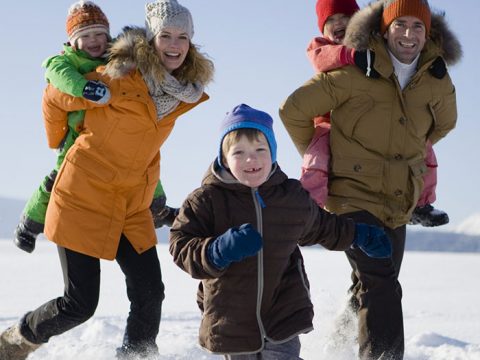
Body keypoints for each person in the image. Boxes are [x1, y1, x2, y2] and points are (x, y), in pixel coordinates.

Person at [0, 0, 213, 359]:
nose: (174, 45)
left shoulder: (180, 91)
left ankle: (136, 356)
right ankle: (15, 341)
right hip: (82, 196)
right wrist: (60, 137)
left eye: (182, 37)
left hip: (131, 203)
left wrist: (155, 194)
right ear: (151, 37)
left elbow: (143, 146)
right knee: (79, 304)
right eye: (166, 35)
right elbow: (54, 95)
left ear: (191, 42)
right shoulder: (115, 74)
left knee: (150, 291)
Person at [279, 0, 461, 358]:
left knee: (373, 280)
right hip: (352, 196)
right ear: (385, 28)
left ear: (427, 32)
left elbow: (445, 124)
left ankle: (337, 344)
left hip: (397, 198)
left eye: (417, 26)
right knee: (382, 282)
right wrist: (326, 148)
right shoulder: (355, 69)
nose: (408, 34)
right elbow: (293, 110)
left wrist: (408, 155)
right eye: (400, 25)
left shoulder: (435, 78)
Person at [169, 103, 392, 359]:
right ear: (224, 158)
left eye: (260, 149)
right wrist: (218, 249)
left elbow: (323, 226)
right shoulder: (206, 200)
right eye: (238, 152)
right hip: (231, 316)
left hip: (283, 310)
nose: (250, 159)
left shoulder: (290, 197)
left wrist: (361, 235)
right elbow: (180, 245)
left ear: (273, 152)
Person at [13, 0, 175, 254]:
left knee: (141, 162)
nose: (93, 40)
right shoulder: (65, 61)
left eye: (99, 33)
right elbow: (58, 76)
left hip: (114, 129)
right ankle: (30, 223)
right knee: (58, 177)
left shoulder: (117, 56)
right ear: (73, 40)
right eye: (86, 35)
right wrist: (84, 88)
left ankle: (159, 208)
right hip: (80, 134)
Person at [302, 0, 449, 228]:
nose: (338, 23)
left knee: (423, 150)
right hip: (329, 121)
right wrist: (350, 56)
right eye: (330, 20)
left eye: (345, 17)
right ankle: (310, 209)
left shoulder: (376, 46)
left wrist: (432, 63)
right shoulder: (321, 47)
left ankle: (421, 204)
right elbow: (321, 59)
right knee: (316, 160)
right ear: (322, 28)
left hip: (367, 123)